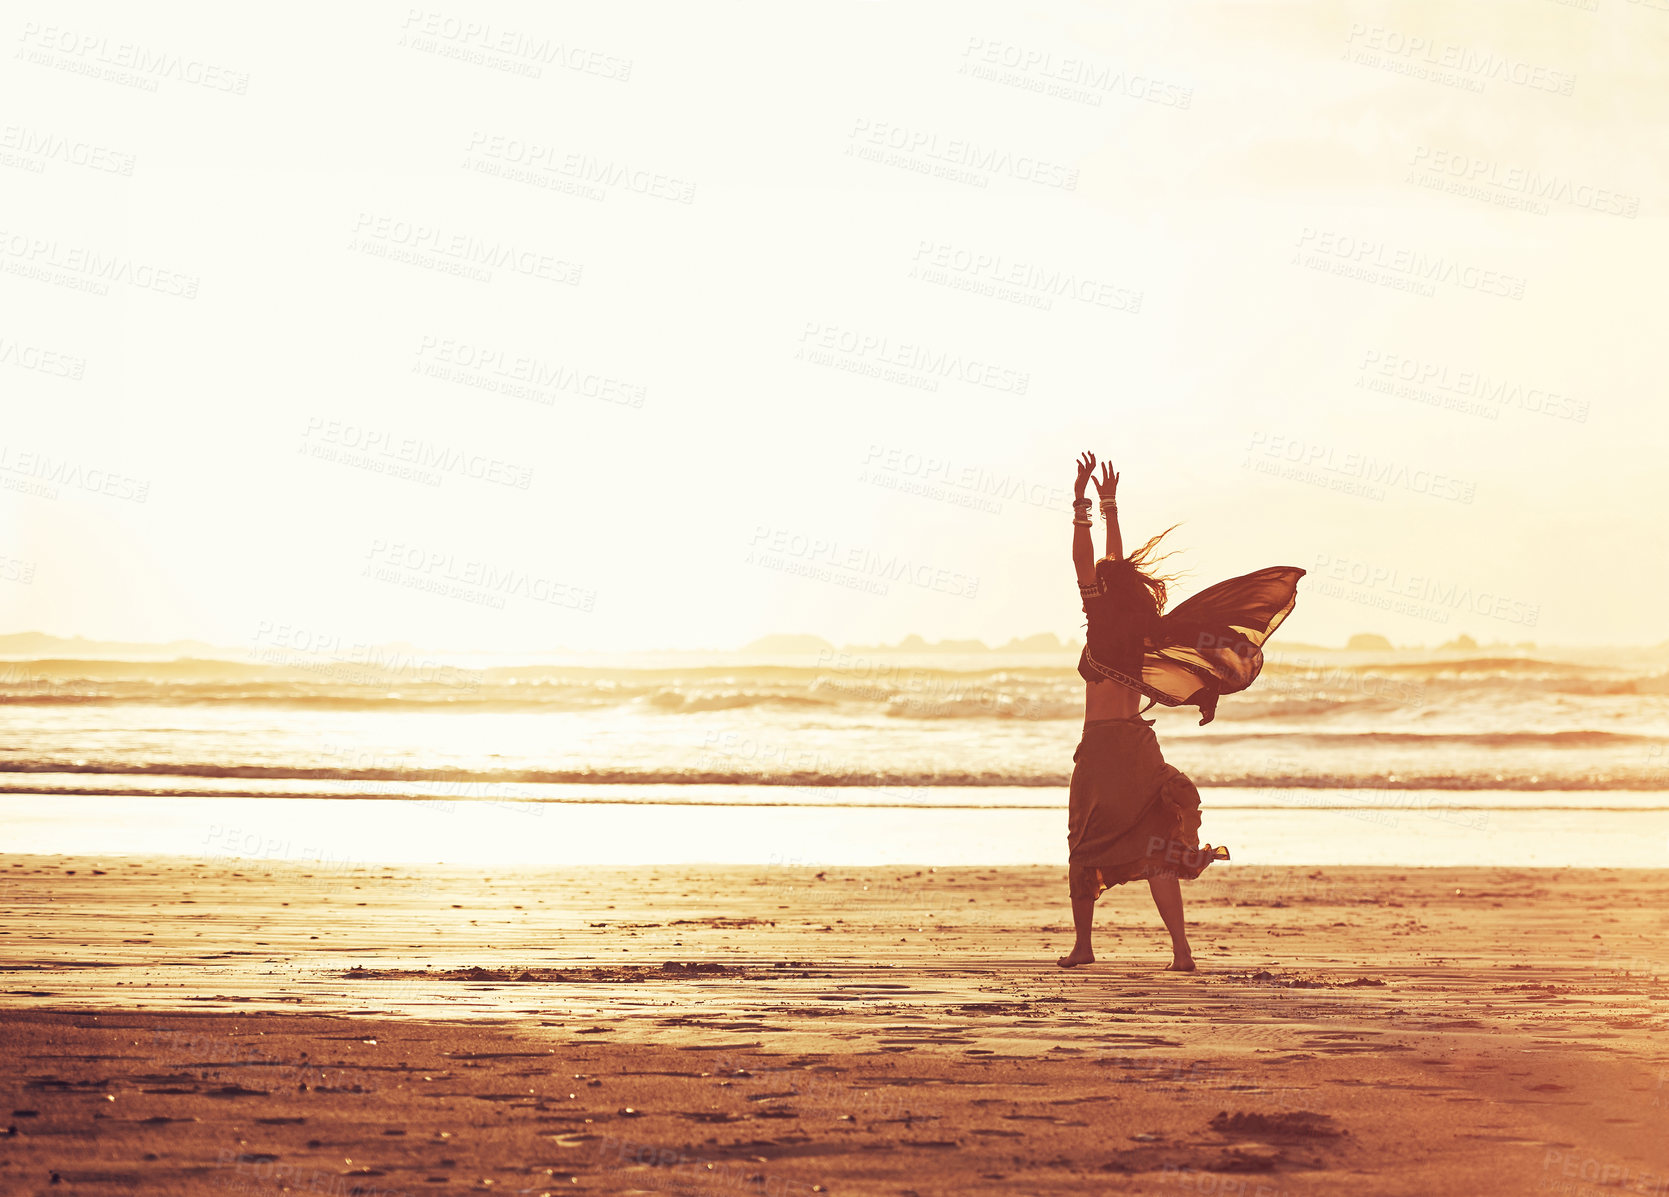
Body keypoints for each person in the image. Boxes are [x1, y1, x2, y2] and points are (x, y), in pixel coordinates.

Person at [1059, 450, 1304, 971]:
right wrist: (1110, 506)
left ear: (1103, 594)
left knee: (1084, 843)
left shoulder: (1101, 627)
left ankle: (1084, 947)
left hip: (1103, 750)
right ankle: (1181, 952)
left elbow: (1087, 562)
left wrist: (1082, 502)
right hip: (1139, 746)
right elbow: (1111, 567)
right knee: (1155, 850)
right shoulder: (1135, 633)